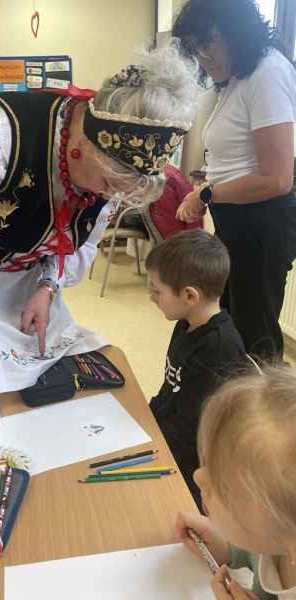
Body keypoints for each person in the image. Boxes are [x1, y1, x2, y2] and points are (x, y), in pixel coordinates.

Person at [0, 45, 198, 393]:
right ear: (87, 144)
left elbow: (80, 241)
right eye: (109, 183)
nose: (108, 197)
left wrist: (48, 287)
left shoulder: (111, 174)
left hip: (29, 280)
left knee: (28, 382)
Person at [172, 0, 296, 362]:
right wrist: (208, 189)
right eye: (195, 47)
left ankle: (266, 400)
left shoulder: (267, 72)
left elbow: (277, 178)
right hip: (237, 218)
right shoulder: (237, 78)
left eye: (208, 42)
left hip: (261, 222)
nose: (202, 55)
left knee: (255, 337)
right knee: (230, 326)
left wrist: (206, 194)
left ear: (234, 31)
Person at [145, 229, 245, 508]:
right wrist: (146, 417)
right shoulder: (186, 322)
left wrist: (149, 443)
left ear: (190, 295)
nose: (151, 297)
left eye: (157, 291)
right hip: (171, 441)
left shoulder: (218, 348)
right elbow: (171, 390)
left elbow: (194, 430)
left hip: (193, 469)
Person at [177, 366, 296, 599]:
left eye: (222, 486)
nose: (198, 477)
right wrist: (229, 549)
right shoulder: (280, 530)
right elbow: (260, 549)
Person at [119, 163, 203, 242]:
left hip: (170, 230)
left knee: (123, 216)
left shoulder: (158, 174)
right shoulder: (169, 171)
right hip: (176, 229)